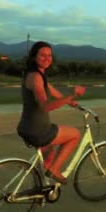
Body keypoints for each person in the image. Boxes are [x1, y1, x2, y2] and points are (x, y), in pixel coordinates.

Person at [17, 41, 86, 184]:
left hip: (26, 126)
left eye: (49, 55)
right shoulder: (35, 77)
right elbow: (46, 106)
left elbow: (53, 92)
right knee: (74, 134)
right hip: (38, 130)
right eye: (42, 55)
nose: (47, 58)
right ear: (34, 57)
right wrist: (72, 95)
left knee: (49, 151)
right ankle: (54, 170)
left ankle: (41, 184)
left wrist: (70, 102)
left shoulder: (37, 74)